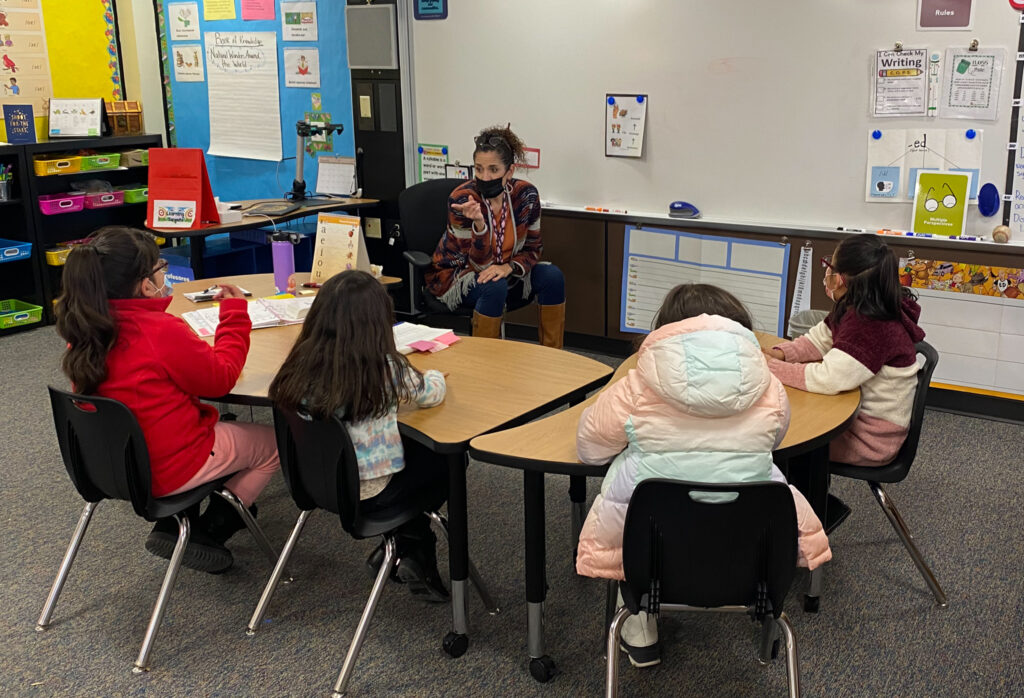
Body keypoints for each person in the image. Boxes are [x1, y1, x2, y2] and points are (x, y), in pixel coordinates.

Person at [575, 284, 831, 668]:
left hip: (651, 554)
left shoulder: (636, 384)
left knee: (635, 487)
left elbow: (589, 448)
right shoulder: (770, 388)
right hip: (749, 551)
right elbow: (774, 441)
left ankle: (642, 623)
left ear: (666, 329)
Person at [54, 226, 280, 574]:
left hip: (112, 464)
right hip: (169, 468)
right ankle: (210, 529)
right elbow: (220, 380)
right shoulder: (158, 331)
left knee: (220, 424)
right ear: (146, 285)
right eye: (161, 266)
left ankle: (176, 521)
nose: (165, 272)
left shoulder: (85, 330)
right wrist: (234, 315)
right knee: (275, 443)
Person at [268, 270, 451, 602]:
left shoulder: (298, 363)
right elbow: (431, 393)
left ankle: (405, 549)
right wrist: (437, 374)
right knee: (448, 459)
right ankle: (414, 548)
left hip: (318, 484)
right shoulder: (384, 369)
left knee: (413, 450)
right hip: (371, 494)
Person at [764, 234, 924, 467]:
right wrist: (779, 353)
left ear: (840, 279)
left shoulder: (871, 325)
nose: (826, 273)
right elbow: (817, 341)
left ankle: (804, 500)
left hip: (872, 437)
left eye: (830, 266)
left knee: (785, 438)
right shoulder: (858, 306)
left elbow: (829, 379)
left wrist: (771, 367)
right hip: (859, 419)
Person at [424, 124, 566, 348]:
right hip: (458, 275)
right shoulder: (462, 199)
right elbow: (477, 267)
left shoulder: (526, 195)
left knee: (552, 276)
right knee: (494, 286)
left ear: (509, 172)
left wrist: (509, 267)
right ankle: (487, 363)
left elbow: (534, 248)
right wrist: (479, 225)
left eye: (493, 170)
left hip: (506, 271)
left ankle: (553, 356)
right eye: (478, 169)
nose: (484, 176)